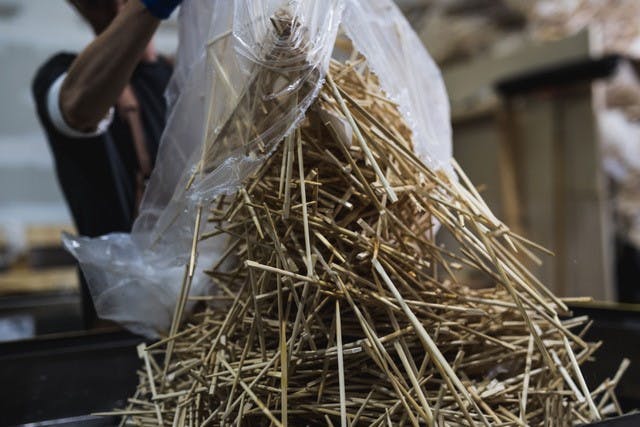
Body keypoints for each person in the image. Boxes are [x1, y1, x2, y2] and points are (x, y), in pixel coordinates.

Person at [32, 0, 182, 327]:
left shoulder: (181, 79)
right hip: (125, 327)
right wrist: (147, 8)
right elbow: (77, 106)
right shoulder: (64, 77)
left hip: (201, 313)